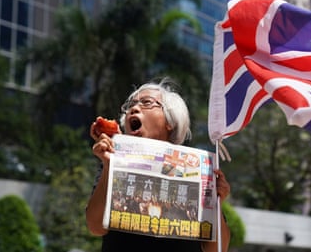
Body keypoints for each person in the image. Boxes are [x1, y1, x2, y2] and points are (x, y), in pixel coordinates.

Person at [86, 78, 231, 252]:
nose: (134, 108)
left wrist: (217, 202)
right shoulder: (112, 161)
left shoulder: (196, 169)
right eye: (130, 106)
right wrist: (110, 167)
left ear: (170, 121)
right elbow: (95, 226)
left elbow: (216, 250)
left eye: (146, 102)